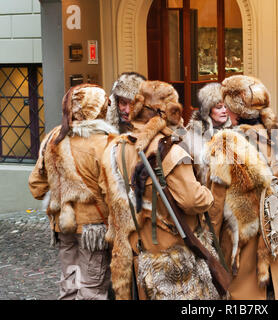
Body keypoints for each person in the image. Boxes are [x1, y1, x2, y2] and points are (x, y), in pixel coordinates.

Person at [100, 80, 219, 300]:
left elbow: (106, 193)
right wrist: (208, 192)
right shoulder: (171, 151)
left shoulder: (117, 147)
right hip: (173, 256)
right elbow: (194, 201)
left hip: (139, 251)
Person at [209, 75, 278, 300]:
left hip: (241, 243)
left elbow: (216, 205)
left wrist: (210, 243)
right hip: (273, 233)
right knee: (271, 292)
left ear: (235, 112)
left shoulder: (227, 145)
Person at [28, 84, 118, 300]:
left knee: (69, 284)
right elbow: (113, 193)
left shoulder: (53, 138)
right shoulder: (105, 143)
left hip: (63, 225)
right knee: (92, 289)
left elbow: (36, 187)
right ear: (98, 109)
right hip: (93, 229)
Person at [183, 82, 232, 185]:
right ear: (208, 110)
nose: (224, 111)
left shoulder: (233, 131)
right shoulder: (191, 135)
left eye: (226, 107)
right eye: (219, 107)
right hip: (202, 194)